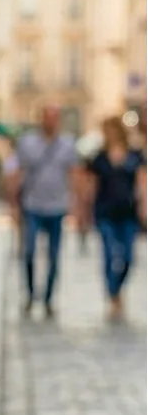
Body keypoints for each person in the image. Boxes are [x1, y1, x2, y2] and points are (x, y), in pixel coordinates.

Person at [5, 105, 79, 317]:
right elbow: (17, 172)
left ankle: (48, 298)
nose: (51, 122)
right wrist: (12, 203)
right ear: (41, 119)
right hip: (32, 205)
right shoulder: (27, 143)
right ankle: (29, 294)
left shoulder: (67, 144)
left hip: (57, 207)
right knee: (28, 252)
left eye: (54, 118)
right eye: (47, 117)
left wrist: (75, 204)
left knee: (54, 255)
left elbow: (73, 173)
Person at [85, 115, 146, 320]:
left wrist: (144, 207)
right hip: (105, 212)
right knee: (110, 254)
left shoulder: (134, 155)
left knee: (129, 257)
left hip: (128, 213)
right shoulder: (99, 158)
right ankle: (112, 294)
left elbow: (141, 182)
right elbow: (91, 186)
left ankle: (117, 289)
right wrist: (83, 211)